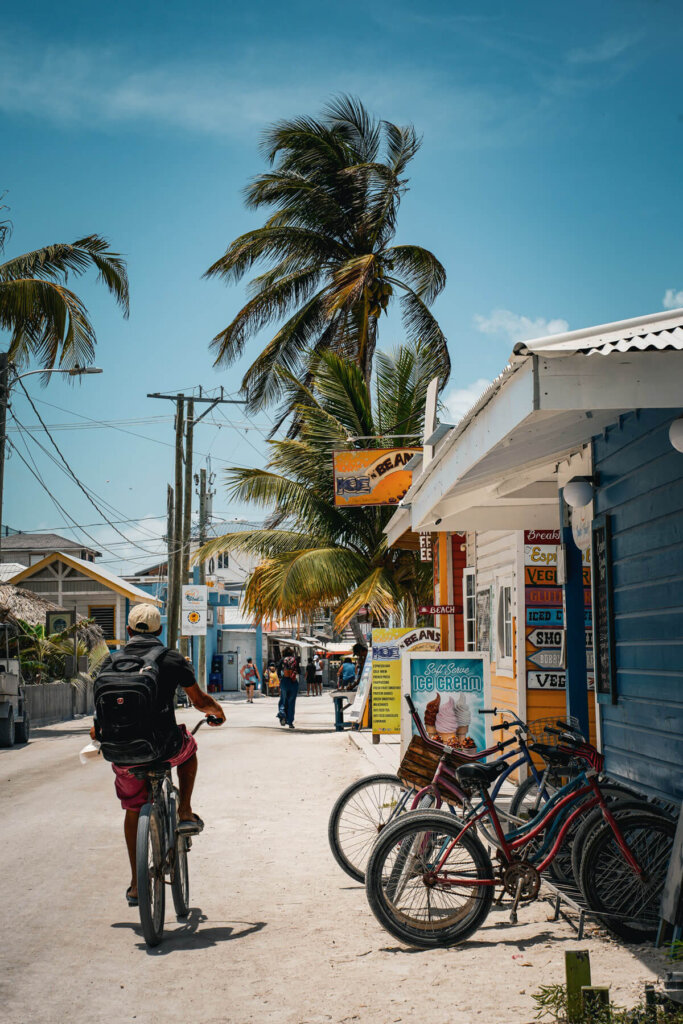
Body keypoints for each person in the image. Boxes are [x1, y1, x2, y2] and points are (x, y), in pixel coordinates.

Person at [91, 603, 226, 908]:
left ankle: (137, 884)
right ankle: (186, 811)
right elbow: (199, 700)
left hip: (122, 755)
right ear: (160, 630)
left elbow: (98, 720)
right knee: (189, 748)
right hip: (164, 747)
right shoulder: (172, 659)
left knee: (133, 808)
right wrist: (216, 712)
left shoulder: (109, 663)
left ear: (127, 631)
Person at [277, 646, 299, 729]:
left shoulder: (282, 660)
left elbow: (278, 671)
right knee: (291, 702)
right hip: (293, 682)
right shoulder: (295, 660)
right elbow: (299, 671)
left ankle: (282, 715)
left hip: (284, 681)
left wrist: (280, 677)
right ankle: (290, 722)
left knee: (283, 700)